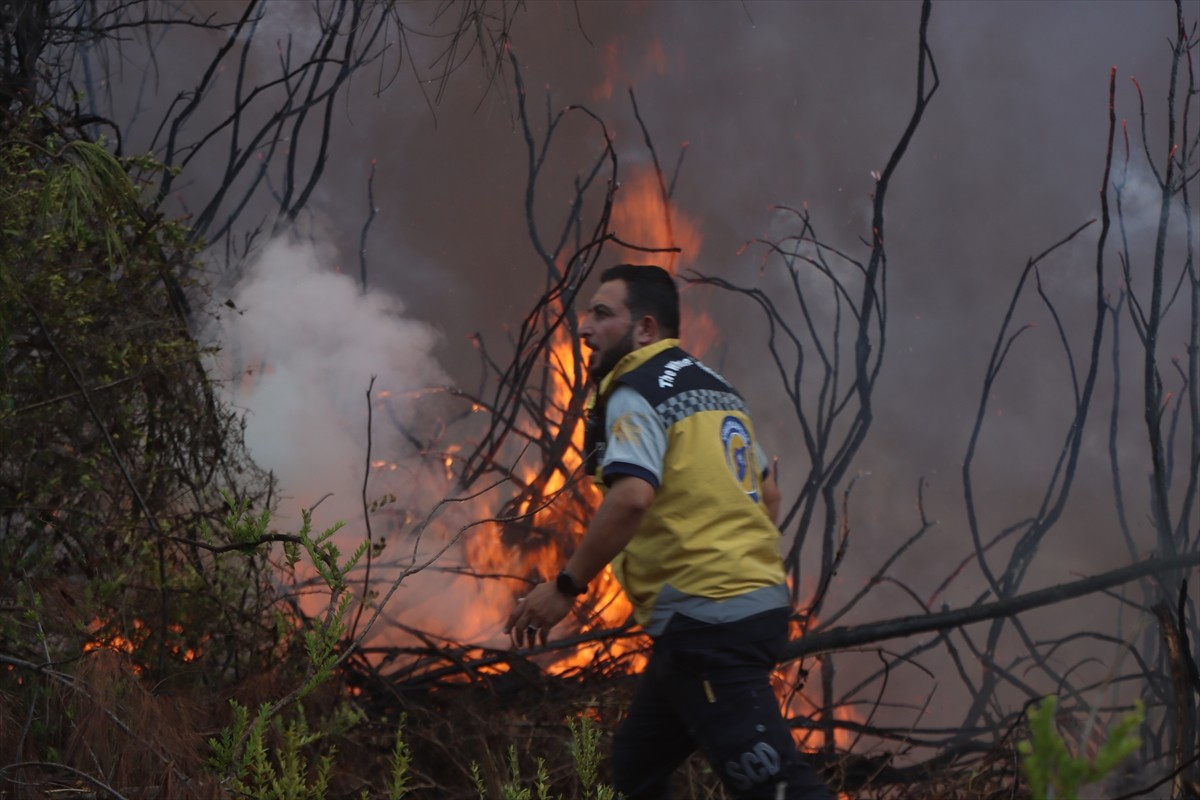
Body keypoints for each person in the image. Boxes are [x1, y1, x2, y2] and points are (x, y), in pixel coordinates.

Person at [504, 264, 835, 799]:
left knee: (775, 786)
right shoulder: (717, 389)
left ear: (645, 329)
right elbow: (768, 493)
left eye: (602, 314)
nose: (583, 328)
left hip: (710, 625)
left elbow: (632, 497)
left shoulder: (633, 391)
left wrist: (565, 587)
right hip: (744, 610)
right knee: (637, 765)